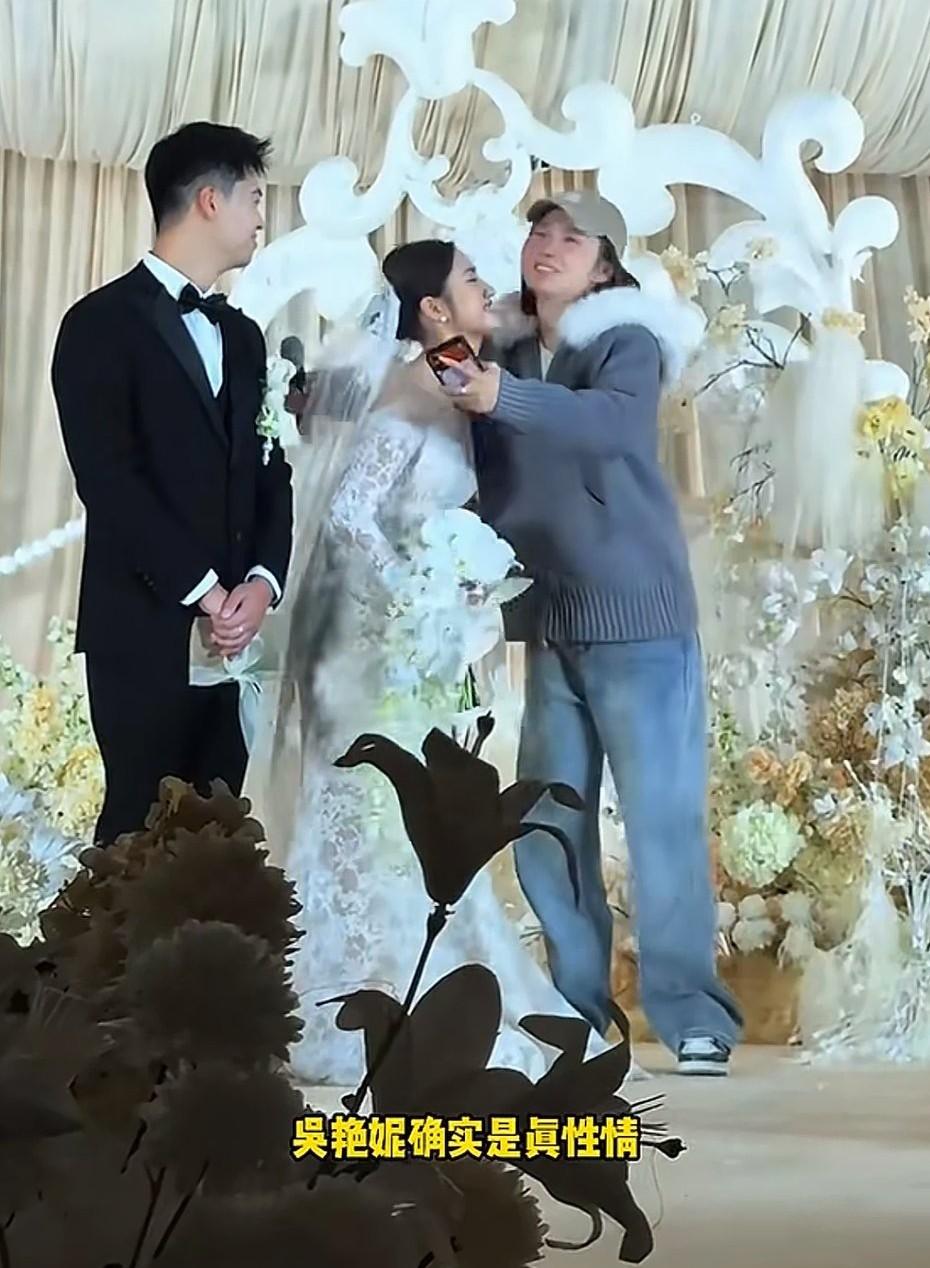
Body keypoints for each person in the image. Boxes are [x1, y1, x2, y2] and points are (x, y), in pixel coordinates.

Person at [269, 239, 628, 1087]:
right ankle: (358, 1001)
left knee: (418, 822)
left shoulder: (453, 378)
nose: (485, 286)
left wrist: (454, 586)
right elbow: (351, 516)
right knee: (377, 814)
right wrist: (418, 589)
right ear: (432, 309)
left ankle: (427, 994)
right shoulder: (410, 387)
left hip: (415, 644)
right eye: (469, 278)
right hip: (377, 646)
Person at [441, 191, 743, 1076]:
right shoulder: (497, 346)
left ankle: (692, 1014)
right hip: (550, 615)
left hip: (638, 616)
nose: (549, 245)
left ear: (604, 265)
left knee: (660, 819)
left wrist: (503, 397)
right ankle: (575, 1013)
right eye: (540, 232)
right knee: (549, 822)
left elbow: (612, 422)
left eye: (572, 238)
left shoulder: (626, 338)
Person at [51, 122, 293, 844]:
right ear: (210, 201)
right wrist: (207, 593)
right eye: (254, 197)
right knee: (138, 833)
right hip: (142, 627)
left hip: (235, 640)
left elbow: (271, 469)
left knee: (217, 836)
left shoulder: (245, 337)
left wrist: (261, 583)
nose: (261, 216)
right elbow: (109, 482)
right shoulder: (99, 323)